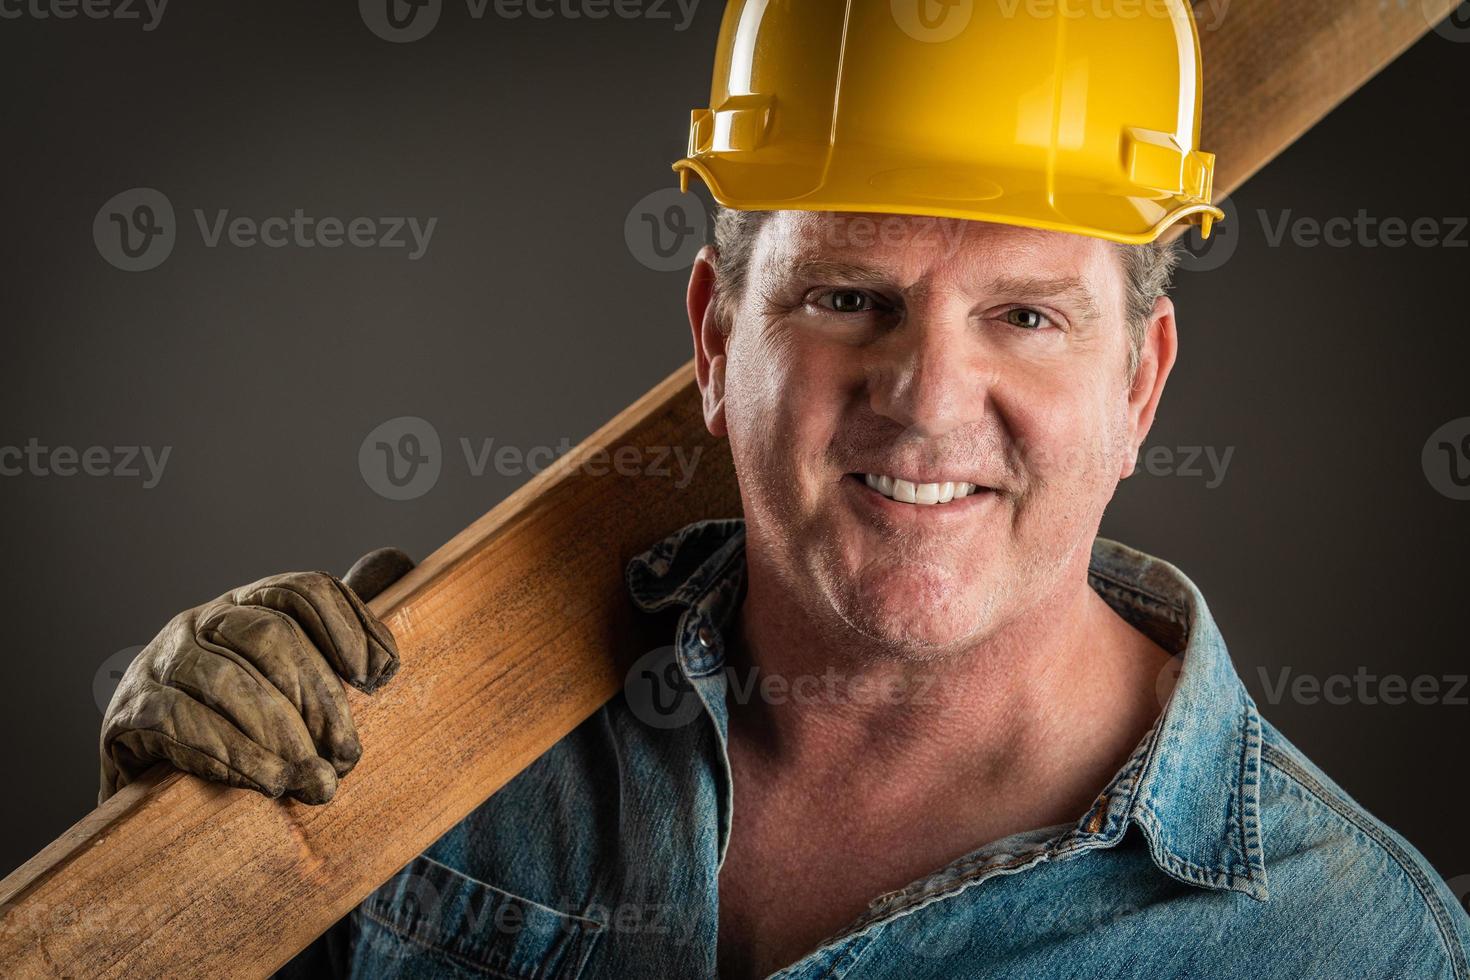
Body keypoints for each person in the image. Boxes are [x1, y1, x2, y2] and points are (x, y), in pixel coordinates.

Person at [100, 3, 1470, 977]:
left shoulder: (1346, 943)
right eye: (843, 297)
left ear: (1138, 384)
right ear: (712, 338)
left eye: (1026, 317)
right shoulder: (424, 738)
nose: (926, 400)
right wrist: (173, 859)